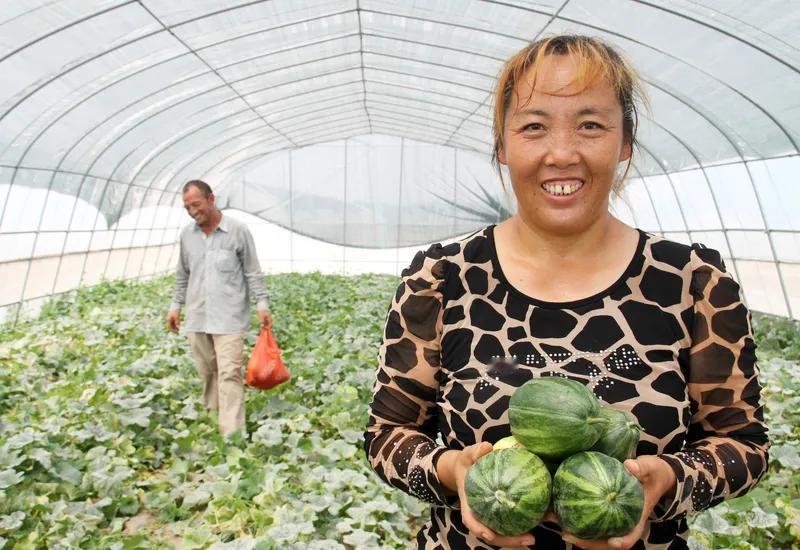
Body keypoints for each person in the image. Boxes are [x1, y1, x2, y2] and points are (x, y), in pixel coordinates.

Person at [364, 35, 768, 549]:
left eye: (590, 125)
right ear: (502, 147)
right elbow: (386, 438)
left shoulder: (692, 282)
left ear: (625, 143)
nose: (561, 153)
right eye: (533, 127)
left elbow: (743, 445)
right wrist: (449, 470)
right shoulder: (442, 278)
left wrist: (669, 481)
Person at [167, 179, 271, 438]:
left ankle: (232, 434)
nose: (192, 211)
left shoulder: (238, 231)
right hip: (197, 316)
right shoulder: (186, 236)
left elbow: (252, 271)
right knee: (208, 373)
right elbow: (182, 275)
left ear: (211, 199)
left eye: (196, 204)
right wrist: (174, 306)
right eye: (187, 207)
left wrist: (262, 303)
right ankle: (213, 419)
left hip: (229, 318)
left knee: (229, 373)